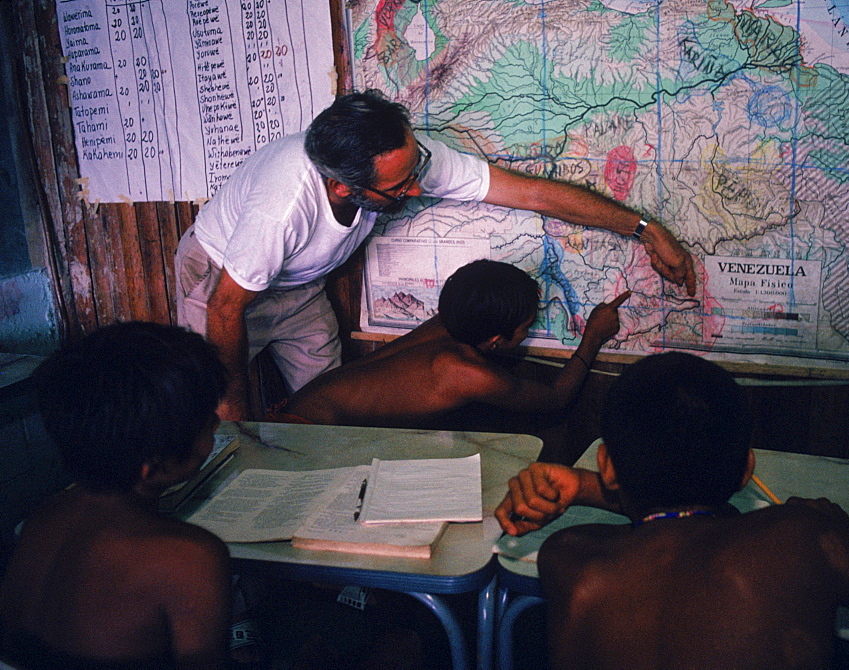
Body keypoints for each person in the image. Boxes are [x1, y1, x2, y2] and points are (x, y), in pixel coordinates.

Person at [175, 89, 696, 420]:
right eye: (401, 187)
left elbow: (534, 194)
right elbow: (226, 309)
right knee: (215, 419)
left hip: (298, 284)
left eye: (416, 165)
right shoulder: (282, 204)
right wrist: (235, 429)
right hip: (224, 280)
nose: (419, 185)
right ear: (342, 187)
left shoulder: (403, 159)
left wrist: (646, 228)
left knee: (322, 415)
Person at [494, 353, 849, 669]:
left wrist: (586, 486)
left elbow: (662, 525)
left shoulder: (567, 558)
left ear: (606, 465)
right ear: (746, 471)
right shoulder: (801, 538)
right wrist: (828, 532)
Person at [0, 322, 232, 669]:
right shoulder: (189, 558)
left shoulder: (42, 518)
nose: (216, 423)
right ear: (150, 466)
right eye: (204, 421)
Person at [272, 259, 629, 426]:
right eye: (525, 326)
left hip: (303, 409)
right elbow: (554, 399)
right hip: (304, 435)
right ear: (494, 339)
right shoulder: (463, 371)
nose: (526, 331)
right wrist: (593, 337)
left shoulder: (452, 321)